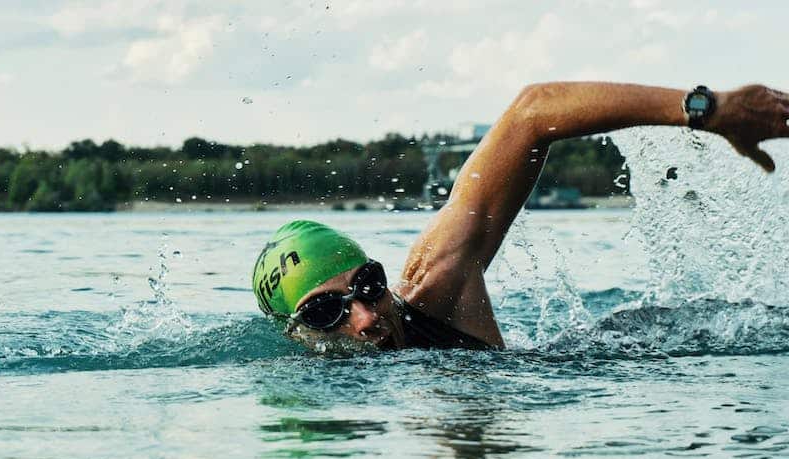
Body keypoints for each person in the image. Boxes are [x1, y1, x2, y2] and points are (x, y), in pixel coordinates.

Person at [253, 82, 789, 351]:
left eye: (368, 286)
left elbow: (532, 112)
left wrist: (706, 110)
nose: (366, 318)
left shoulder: (435, 287)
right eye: (326, 313)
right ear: (296, 334)